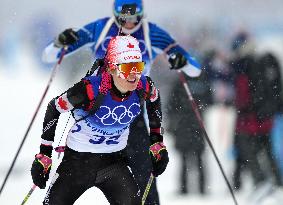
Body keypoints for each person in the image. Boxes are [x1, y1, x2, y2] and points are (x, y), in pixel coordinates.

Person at [42, 0, 201, 203]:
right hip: (98, 109)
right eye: (123, 18)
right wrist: (59, 42)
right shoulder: (100, 28)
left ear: (142, 15)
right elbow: (50, 56)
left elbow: (194, 69)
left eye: (134, 18)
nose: (128, 23)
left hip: (133, 115)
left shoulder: (152, 32)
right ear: (115, 15)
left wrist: (183, 60)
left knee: (145, 177)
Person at [31, 35, 169, 205]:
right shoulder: (90, 89)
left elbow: (155, 100)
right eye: (127, 68)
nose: (134, 75)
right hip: (77, 165)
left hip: (114, 163)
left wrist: (157, 142)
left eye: (138, 66)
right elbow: (54, 107)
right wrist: (44, 154)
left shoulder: (143, 86)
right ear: (111, 69)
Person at [230, 32, 283, 192]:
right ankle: (275, 184)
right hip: (262, 119)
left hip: (250, 121)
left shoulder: (246, 66)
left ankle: (261, 185)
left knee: (249, 154)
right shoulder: (264, 63)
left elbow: (245, 96)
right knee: (267, 154)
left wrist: (246, 109)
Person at [166, 71, 212, 195]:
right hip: (185, 125)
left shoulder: (199, 82)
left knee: (194, 158)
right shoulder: (182, 82)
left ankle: (196, 188)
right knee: (187, 158)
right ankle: (187, 188)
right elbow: (171, 105)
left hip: (192, 125)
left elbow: (209, 99)